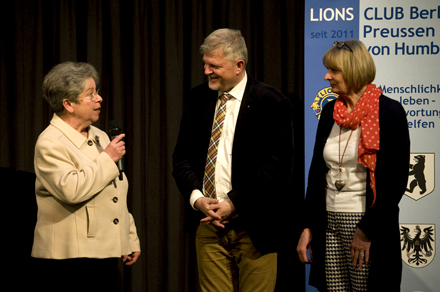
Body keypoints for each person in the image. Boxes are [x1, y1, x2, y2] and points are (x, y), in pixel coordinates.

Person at [172, 28, 293, 292]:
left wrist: (234, 203)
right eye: (205, 64)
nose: (206, 71)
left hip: (256, 227)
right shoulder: (197, 98)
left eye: (214, 66)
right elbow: (181, 159)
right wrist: (197, 199)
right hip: (207, 224)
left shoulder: (271, 102)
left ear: (239, 65)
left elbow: (277, 169)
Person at [297, 40, 410, 291]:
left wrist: (366, 230)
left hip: (367, 223)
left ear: (354, 71)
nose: (327, 77)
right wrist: (308, 226)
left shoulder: (389, 112)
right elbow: (317, 174)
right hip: (328, 222)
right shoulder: (330, 112)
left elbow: (395, 182)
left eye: (334, 71)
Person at [31, 62, 141, 292]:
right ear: (68, 104)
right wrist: (107, 158)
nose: (99, 98)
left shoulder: (100, 136)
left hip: (103, 253)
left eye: (97, 92)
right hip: (69, 260)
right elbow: (72, 189)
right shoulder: (50, 142)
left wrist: (128, 236)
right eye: (90, 94)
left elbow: (115, 191)